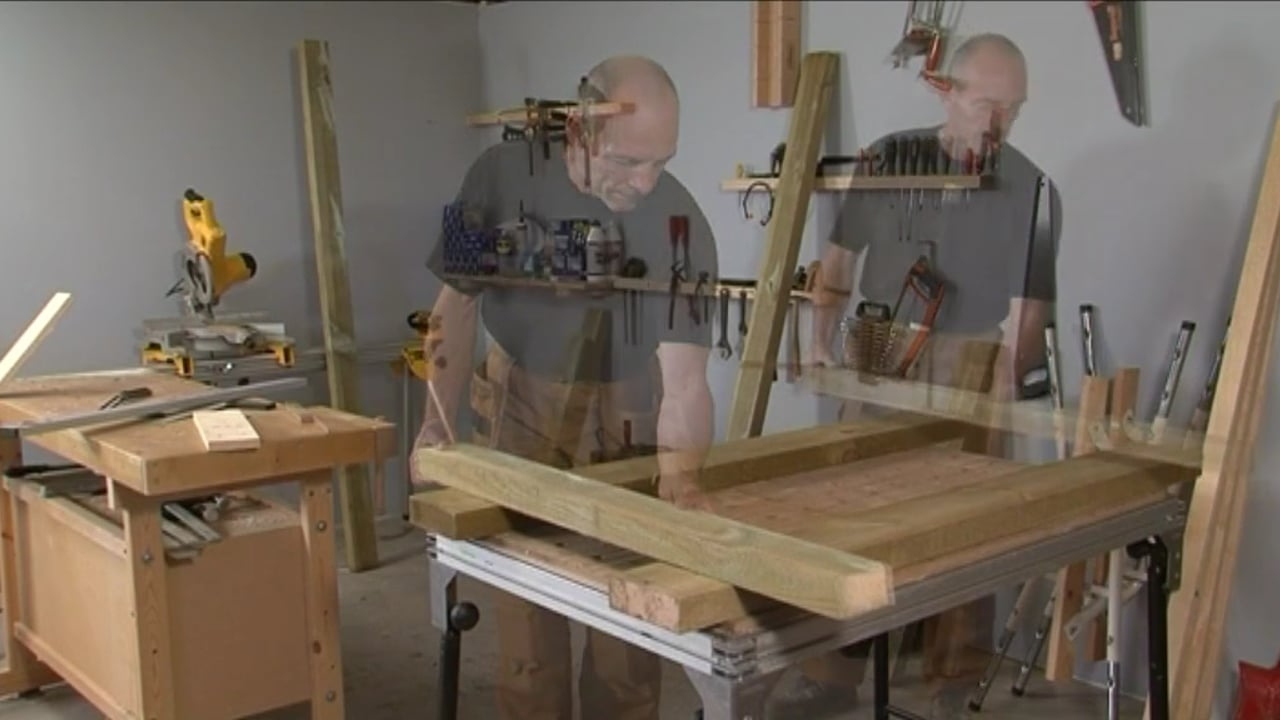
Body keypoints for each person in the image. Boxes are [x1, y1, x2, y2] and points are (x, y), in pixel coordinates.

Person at [413, 55, 719, 720]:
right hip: (519, 399)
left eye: (661, 162)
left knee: (628, 632)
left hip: (629, 406)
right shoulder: (497, 174)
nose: (645, 182)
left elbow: (686, 383)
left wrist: (683, 480)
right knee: (528, 624)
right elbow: (455, 306)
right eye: (628, 161)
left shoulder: (680, 221)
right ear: (580, 131)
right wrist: (436, 421)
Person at [773, 33, 1061, 719]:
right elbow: (838, 261)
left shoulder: (1032, 188)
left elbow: (1029, 309)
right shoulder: (889, 158)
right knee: (853, 512)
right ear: (948, 92)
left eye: (1015, 108)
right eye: (988, 105)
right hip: (880, 346)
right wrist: (819, 343)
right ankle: (833, 675)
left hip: (972, 357)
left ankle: (952, 683)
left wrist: (1003, 385)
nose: (1001, 122)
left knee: (968, 525)